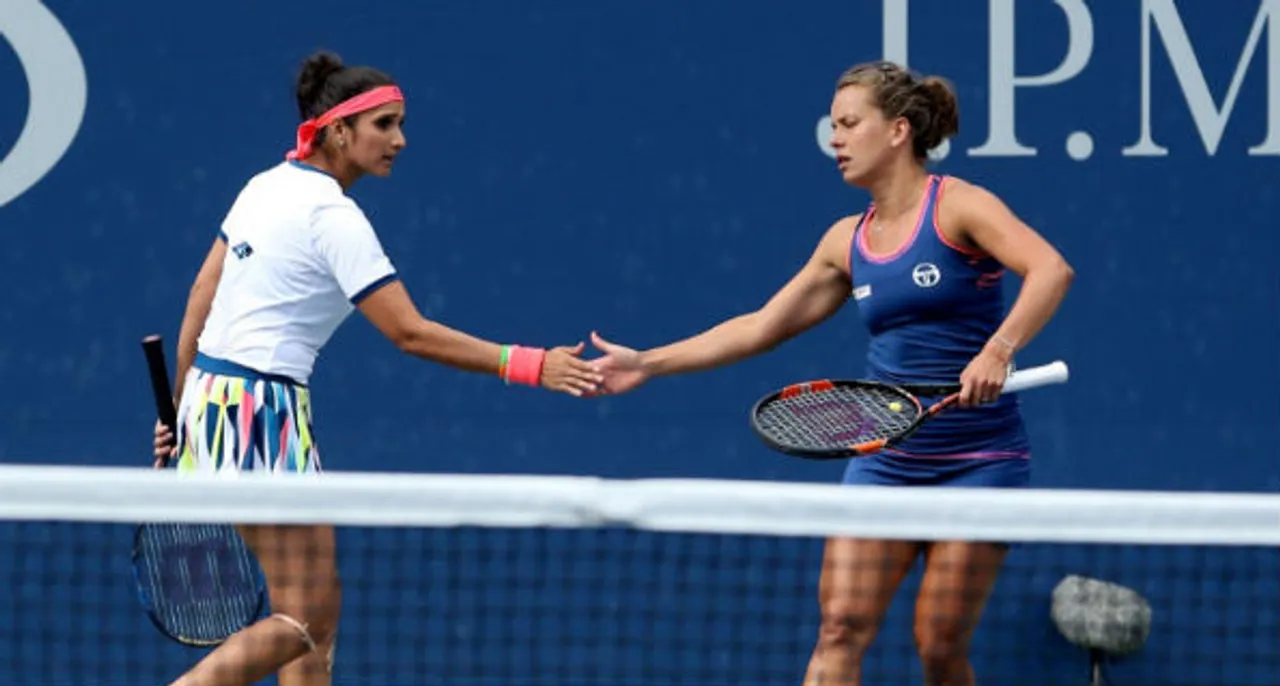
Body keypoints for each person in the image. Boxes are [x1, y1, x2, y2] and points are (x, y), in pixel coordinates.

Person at [586, 60, 1074, 686]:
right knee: (840, 626)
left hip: (979, 462)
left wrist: (998, 349)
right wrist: (649, 362)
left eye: (848, 124)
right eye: (832, 125)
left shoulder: (959, 207)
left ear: (898, 131)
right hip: (885, 461)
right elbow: (760, 326)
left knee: (939, 644)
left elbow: (1051, 269)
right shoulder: (846, 241)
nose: (834, 139)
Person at [149, 50, 602, 686]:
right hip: (260, 416)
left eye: (400, 124)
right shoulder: (333, 215)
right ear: (339, 130)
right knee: (305, 617)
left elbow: (201, 298)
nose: (400, 140)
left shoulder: (263, 185)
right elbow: (409, 333)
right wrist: (529, 365)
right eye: (384, 125)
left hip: (213, 402)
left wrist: (180, 414)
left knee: (315, 610)